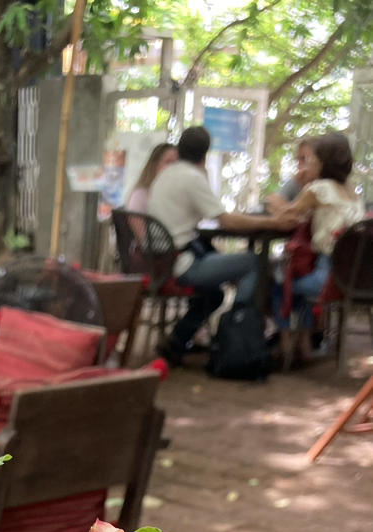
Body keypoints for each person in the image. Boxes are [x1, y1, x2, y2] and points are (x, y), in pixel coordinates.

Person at [148, 125, 275, 364]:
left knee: (214, 294)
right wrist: (272, 221)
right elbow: (225, 220)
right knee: (254, 262)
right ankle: (236, 332)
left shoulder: (166, 174)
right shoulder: (192, 178)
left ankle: (176, 342)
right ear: (205, 154)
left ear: (179, 149)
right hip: (181, 264)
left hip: (160, 262)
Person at [270, 131, 363, 361]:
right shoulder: (352, 190)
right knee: (297, 279)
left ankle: (286, 344)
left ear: (322, 162)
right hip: (358, 277)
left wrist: (285, 190)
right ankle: (304, 344)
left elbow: (286, 215)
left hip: (328, 278)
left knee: (279, 282)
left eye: (313, 159)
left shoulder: (319, 189)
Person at [264, 139, 320, 214]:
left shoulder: (324, 186)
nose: (300, 165)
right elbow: (273, 202)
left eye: (304, 159)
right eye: (298, 160)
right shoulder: (295, 182)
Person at [126, 142, 178, 214]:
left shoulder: (176, 194)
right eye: (168, 162)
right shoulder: (140, 195)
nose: (173, 167)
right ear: (155, 164)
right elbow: (134, 220)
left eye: (176, 163)